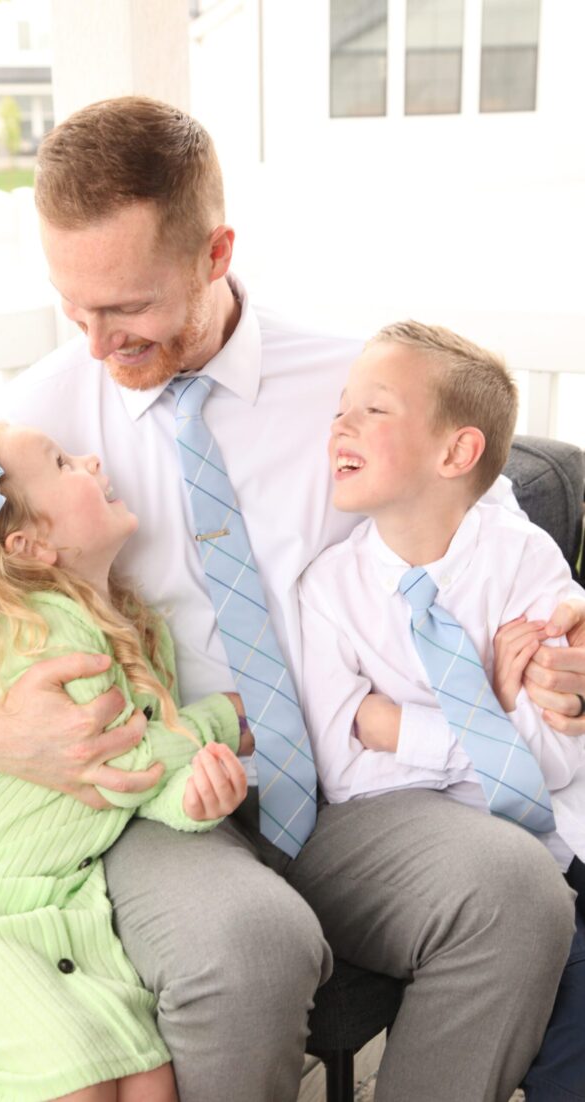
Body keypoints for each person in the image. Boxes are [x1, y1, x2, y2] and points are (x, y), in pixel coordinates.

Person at [0, 96, 585, 1102]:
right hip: (156, 808)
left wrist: (556, 624)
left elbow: (483, 514)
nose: (101, 343)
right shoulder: (38, 426)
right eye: (77, 308)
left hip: (344, 782)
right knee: (248, 945)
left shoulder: (344, 382)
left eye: (129, 307)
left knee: (517, 892)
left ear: (214, 252)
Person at [0, 422, 250, 1102]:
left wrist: (194, 796)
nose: (92, 459)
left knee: (147, 1074)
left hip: (56, 900)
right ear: (31, 546)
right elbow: (134, 760)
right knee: (71, 1073)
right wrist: (219, 721)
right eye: (65, 463)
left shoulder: (138, 629)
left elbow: (135, 769)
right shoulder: (37, 629)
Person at [298, 320, 585, 1101]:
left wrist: (399, 724)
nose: (339, 426)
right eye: (339, 409)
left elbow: (560, 752)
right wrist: (490, 709)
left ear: (455, 454)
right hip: (435, 841)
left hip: (559, 834)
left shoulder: (518, 557)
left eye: (373, 411)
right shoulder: (328, 591)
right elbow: (347, 771)